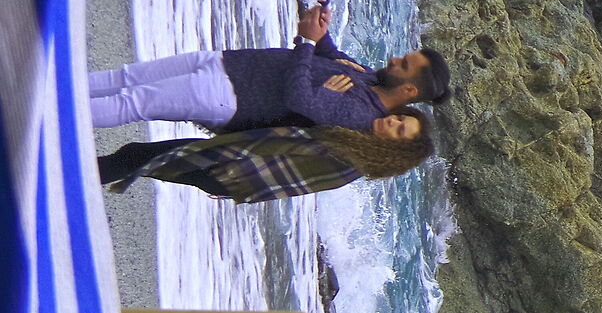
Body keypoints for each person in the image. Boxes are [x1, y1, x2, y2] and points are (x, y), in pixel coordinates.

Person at [87, 1, 449, 133]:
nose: (393, 59)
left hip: (231, 97)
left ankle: (49, 116)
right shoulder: (370, 78)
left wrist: (306, 43)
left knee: (131, 104)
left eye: (403, 64)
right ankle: (49, 87)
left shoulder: (360, 114)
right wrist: (321, 32)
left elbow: (299, 99)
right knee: (125, 78)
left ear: (409, 91)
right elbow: (328, 60)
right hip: (230, 63)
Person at [96, 109, 433, 204]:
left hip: (231, 167)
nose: (393, 122)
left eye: (400, 130)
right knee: (139, 159)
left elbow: (280, 154)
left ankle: (66, 180)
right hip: (236, 177)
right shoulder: (359, 154)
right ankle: (75, 179)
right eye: (400, 118)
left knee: (136, 157)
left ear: (396, 149)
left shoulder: (351, 156)